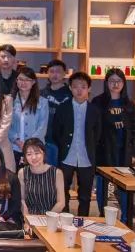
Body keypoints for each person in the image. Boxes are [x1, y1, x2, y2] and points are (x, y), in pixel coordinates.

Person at [52, 71, 101, 217]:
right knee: (63, 191)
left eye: (83, 87)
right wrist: (63, 145)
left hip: (87, 157)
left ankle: (83, 221)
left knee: (85, 195)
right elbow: (56, 132)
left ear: (89, 89)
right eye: (75, 87)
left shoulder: (95, 110)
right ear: (70, 88)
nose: (79, 90)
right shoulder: (63, 108)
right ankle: (65, 220)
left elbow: (98, 134)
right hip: (67, 156)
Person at [93, 68, 135, 218]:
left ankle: (126, 218)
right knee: (103, 185)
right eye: (112, 81)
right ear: (106, 83)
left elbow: (134, 129)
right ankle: (103, 215)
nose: (115, 84)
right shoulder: (98, 102)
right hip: (104, 151)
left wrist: (134, 152)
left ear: (123, 83)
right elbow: (94, 128)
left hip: (123, 151)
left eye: (118, 81)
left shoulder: (129, 104)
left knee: (124, 186)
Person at [18, 138, 64, 230]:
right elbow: (22, 200)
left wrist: (47, 219)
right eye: (29, 154)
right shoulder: (22, 173)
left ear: (44, 153)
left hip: (52, 217)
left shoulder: (57, 173)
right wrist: (27, 220)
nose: (34, 157)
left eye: (37, 153)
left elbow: (61, 203)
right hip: (30, 218)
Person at [9, 66, 48, 168]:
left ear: (33, 82)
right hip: (14, 147)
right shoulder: (9, 101)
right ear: (16, 81)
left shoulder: (42, 102)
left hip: (36, 149)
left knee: (34, 176)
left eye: (27, 80)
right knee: (15, 175)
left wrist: (30, 144)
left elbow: (42, 127)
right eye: (20, 79)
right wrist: (17, 141)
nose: (23, 82)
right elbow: (6, 125)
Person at [40, 59, 72, 165]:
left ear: (64, 73)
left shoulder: (71, 94)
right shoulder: (41, 93)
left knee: (60, 172)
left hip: (64, 141)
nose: (55, 75)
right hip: (45, 140)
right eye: (52, 71)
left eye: (58, 71)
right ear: (47, 73)